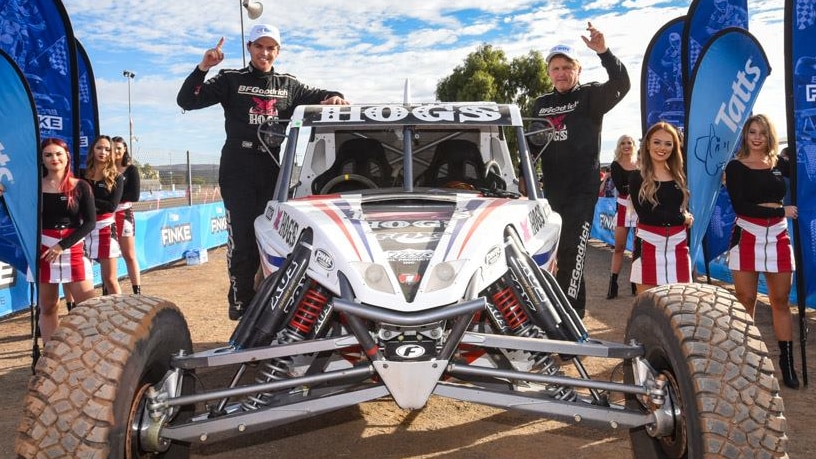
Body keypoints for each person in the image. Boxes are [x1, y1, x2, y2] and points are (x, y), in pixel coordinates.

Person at [176, 24, 349, 320]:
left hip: (271, 167)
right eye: (259, 46)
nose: (264, 53)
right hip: (237, 166)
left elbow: (322, 94)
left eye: (271, 48)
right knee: (243, 240)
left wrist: (335, 95)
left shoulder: (288, 84)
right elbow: (187, 101)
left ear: (278, 51)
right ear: (249, 48)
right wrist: (204, 67)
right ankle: (241, 299)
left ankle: (272, 299)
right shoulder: (231, 78)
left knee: (275, 237)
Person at [530, 22, 630, 318]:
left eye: (566, 67)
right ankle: (565, 315)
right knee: (555, 255)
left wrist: (605, 52)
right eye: (555, 68)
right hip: (551, 194)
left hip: (582, 192)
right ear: (549, 73)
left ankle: (571, 319)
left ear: (578, 70)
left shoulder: (589, 97)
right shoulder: (541, 104)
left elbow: (621, 84)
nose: (561, 73)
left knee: (573, 252)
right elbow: (533, 146)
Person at [724, 114, 800, 389]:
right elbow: (741, 207)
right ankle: (748, 360)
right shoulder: (735, 167)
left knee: (780, 301)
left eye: (763, 133)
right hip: (747, 234)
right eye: (752, 132)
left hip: (778, 236)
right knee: (746, 300)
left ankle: (787, 363)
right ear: (745, 135)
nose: (757, 137)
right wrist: (783, 210)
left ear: (770, 136)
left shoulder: (781, 164)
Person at [6, 138, 97, 342]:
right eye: (48, 155)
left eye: (58, 154)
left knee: (89, 306)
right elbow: (15, 210)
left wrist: (62, 245)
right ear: (42, 159)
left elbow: (90, 223)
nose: (54, 158)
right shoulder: (33, 186)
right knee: (48, 307)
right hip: (43, 252)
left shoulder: (81, 186)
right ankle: (51, 355)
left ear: (67, 157)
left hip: (72, 250)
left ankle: (92, 348)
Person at [629, 122, 693, 293]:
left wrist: (683, 214)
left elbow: (676, 207)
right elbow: (647, 215)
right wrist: (682, 218)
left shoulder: (679, 175)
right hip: (649, 246)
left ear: (674, 147)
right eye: (657, 142)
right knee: (648, 310)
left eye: (668, 143)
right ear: (648, 143)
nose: (662, 148)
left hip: (678, 245)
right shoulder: (637, 177)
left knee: (681, 309)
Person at [84, 135, 124, 295]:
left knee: (110, 280)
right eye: (99, 148)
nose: (103, 152)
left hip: (105, 228)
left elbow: (111, 206)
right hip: (83, 230)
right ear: (92, 150)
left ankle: (119, 315)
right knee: (79, 279)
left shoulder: (117, 177)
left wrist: (88, 201)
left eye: (107, 149)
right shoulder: (82, 174)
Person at [606, 135, 639, 299]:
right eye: (623, 143)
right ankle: (613, 283)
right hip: (624, 209)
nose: (626, 146)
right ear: (619, 146)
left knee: (638, 249)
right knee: (619, 247)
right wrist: (638, 188)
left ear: (633, 145)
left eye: (629, 143)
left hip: (640, 210)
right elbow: (622, 188)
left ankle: (636, 282)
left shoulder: (640, 164)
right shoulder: (615, 165)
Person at [113, 136, 142, 294]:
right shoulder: (105, 169)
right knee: (109, 257)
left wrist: (113, 198)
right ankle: (110, 291)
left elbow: (134, 195)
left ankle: (136, 291)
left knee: (129, 255)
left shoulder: (131, 170)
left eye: (119, 148)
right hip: (107, 217)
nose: (116, 151)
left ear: (125, 150)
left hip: (124, 214)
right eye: (113, 148)